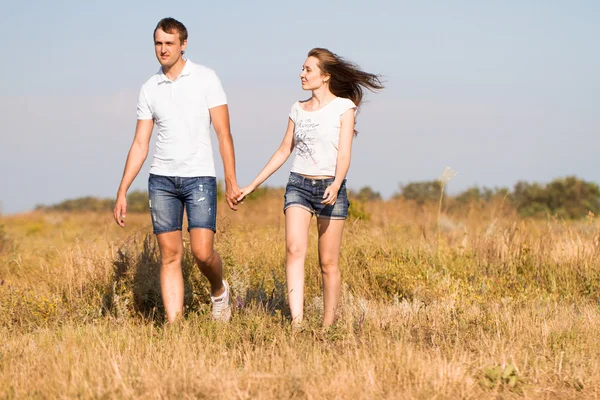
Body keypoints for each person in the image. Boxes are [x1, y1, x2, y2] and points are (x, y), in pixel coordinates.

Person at [237, 48, 383, 326]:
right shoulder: (297, 109)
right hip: (298, 186)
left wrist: (337, 183)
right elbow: (283, 151)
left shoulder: (343, 108)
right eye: (302, 69)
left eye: (308, 70)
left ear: (325, 76)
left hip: (331, 186)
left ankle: (328, 326)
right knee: (294, 250)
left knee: (327, 262)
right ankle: (297, 322)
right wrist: (252, 185)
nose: (302, 74)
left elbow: (344, 153)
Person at [113, 17, 241, 323]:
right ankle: (175, 328)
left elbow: (224, 133)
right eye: (158, 43)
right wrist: (122, 190)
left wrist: (231, 180)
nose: (163, 49)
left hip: (199, 177)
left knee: (201, 252)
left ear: (183, 44)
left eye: (169, 43)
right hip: (162, 181)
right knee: (170, 255)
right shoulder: (149, 88)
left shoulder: (206, 78)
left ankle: (219, 291)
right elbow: (140, 144)